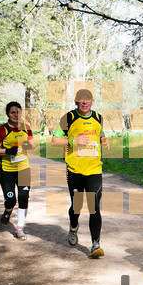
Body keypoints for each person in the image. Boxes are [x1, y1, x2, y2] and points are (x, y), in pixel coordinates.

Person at [50, 89, 110, 258]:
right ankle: (73, 227)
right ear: (76, 102)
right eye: (81, 100)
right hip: (75, 170)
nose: (85, 102)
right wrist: (72, 140)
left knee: (94, 207)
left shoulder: (98, 117)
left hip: (94, 170)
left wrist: (104, 139)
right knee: (77, 206)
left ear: (92, 102)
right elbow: (54, 141)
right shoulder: (68, 118)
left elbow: (100, 132)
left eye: (88, 100)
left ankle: (95, 244)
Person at [0, 101, 36, 240]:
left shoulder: (26, 127)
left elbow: (32, 145)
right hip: (6, 169)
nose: (16, 115)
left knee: (23, 197)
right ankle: (8, 211)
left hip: (23, 168)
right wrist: (7, 151)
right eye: (12, 112)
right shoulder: (2, 130)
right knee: (11, 199)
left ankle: (20, 229)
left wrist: (25, 146)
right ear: (8, 114)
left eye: (18, 112)